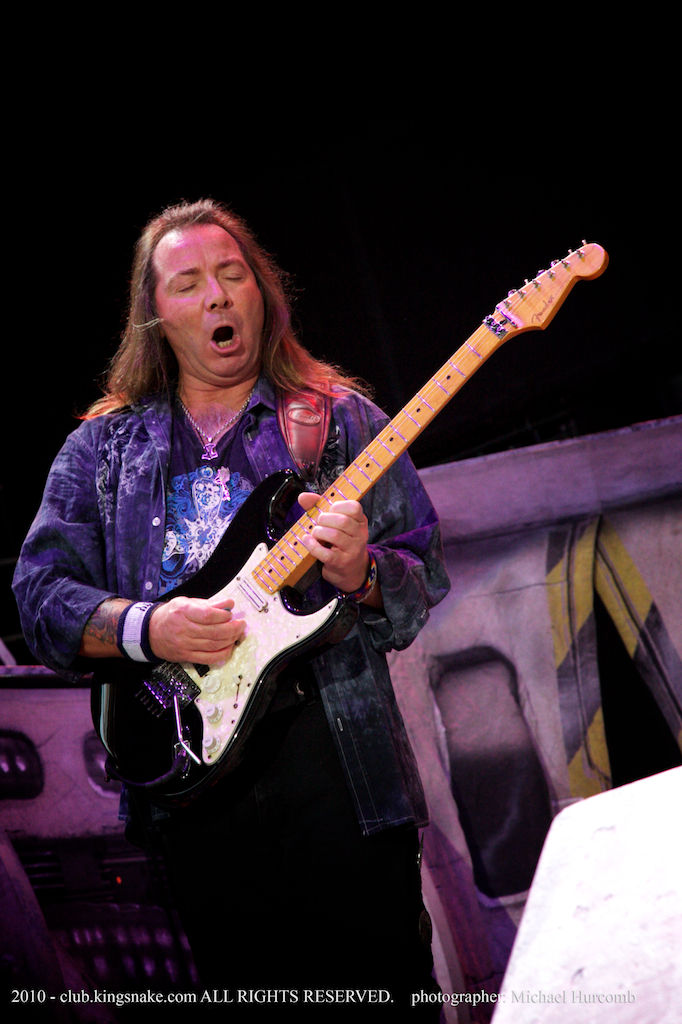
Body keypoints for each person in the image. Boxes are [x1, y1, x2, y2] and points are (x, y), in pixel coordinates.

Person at [13, 199, 450, 1016]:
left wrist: (362, 572)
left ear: (262, 293)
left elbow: (421, 574)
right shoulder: (103, 452)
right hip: (188, 783)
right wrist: (149, 629)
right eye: (188, 283)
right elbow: (39, 598)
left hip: (338, 769)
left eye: (232, 274)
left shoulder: (337, 421)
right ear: (155, 317)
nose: (216, 294)